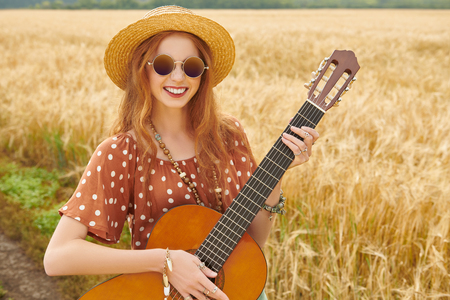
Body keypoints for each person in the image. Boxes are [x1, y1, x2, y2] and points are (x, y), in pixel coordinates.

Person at [43, 5, 319, 300]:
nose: (178, 77)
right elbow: (58, 257)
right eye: (163, 64)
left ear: (203, 75)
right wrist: (165, 261)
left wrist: (276, 175)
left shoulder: (228, 136)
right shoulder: (121, 152)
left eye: (191, 67)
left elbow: (253, 243)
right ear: (143, 70)